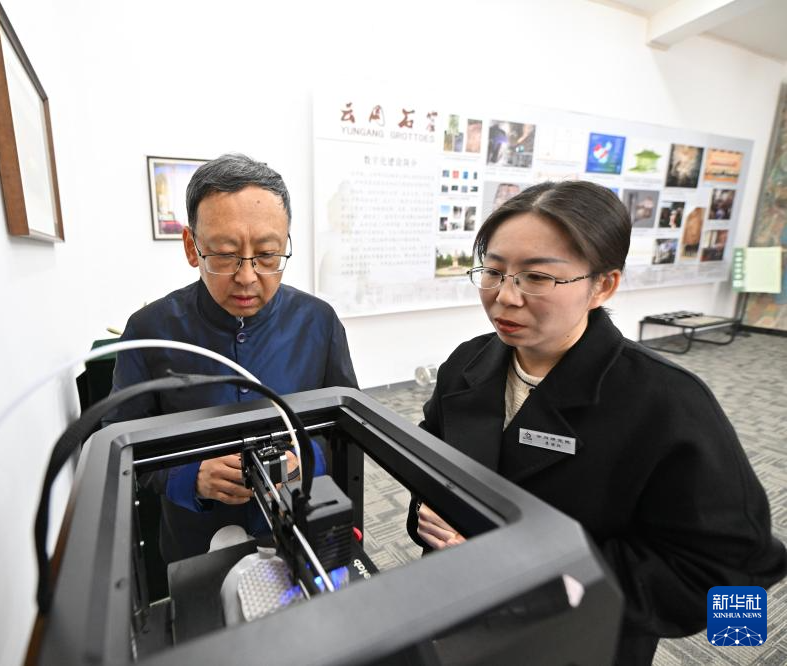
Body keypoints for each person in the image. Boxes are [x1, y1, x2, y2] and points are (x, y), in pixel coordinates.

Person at [407, 181, 785, 664]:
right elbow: (429, 458)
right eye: (493, 271)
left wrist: (529, 577)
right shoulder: (467, 363)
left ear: (602, 286)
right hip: (455, 613)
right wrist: (427, 510)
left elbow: (729, 572)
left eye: (537, 277)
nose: (504, 297)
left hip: (575, 641)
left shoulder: (667, 402)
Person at [103, 153, 358, 563]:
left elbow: (348, 429)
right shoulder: (150, 330)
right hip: (196, 543)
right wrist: (188, 477)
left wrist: (304, 458)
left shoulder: (318, 322)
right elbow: (120, 444)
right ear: (192, 247)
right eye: (224, 254)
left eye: (268, 254)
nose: (247, 277)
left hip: (299, 526)